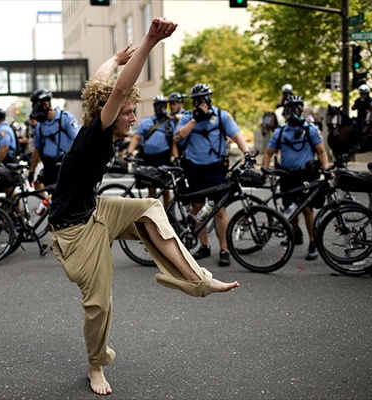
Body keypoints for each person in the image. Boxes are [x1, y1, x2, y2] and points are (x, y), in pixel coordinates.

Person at [49, 19, 239, 396]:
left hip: (95, 209)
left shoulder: (94, 119)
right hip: (74, 233)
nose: (133, 117)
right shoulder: (96, 136)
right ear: (110, 112)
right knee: (100, 304)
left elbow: (103, 83)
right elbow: (116, 89)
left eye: (134, 110)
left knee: (150, 206)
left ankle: (197, 279)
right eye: (128, 112)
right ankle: (95, 364)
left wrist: (114, 58)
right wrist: (151, 41)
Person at [173, 83, 252, 266]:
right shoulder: (187, 117)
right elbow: (177, 137)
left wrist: (247, 153)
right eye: (196, 101)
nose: (200, 103)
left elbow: (237, 135)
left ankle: (224, 249)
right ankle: (204, 246)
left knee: (219, 210)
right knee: (198, 209)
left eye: (203, 99)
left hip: (216, 168)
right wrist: (195, 120)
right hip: (194, 168)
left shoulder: (221, 116)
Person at [261, 94, 330, 261]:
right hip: (287, 175)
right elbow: (268, 153)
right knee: (290, 208)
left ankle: (313, 242)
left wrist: (327, 169)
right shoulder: (280, 132)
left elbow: (321, 152)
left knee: (307, 209)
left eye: (296, 108)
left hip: (305, 174)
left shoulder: (310, 130)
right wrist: (265, 170)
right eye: (290, 109)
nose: (293, 112)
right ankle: (295, 233)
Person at [127, 94, 177, 205]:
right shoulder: (147, 122)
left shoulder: (170, 122)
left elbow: (174, 142)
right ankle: (150, 216)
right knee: (151, 190)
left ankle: (168, 216)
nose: (161, 108)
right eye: (158, 106)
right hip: (149, 159)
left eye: (163, 105)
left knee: (165, 190)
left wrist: (176, 157)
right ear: (154, 107)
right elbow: (136, 137)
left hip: (164, 159)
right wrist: (129, 152)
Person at [28, 89, 80, 190]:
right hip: (49, 167)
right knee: (44, 191)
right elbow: (37, 149)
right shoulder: (40, 126)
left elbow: (79, 141)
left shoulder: (65, 118)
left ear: (46, 104)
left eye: (36, 106)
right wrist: (31, 170)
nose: (35, 110)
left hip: (65, 166)